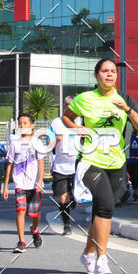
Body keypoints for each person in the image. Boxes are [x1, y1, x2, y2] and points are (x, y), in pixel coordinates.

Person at [62, 58, 138, 274]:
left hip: (116, 162)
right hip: (90, 161)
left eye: (112, 71)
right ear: (96, 75)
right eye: (104, 71)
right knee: (106, 206)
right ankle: (102, 257)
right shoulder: (85, 98)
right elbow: (66, 117)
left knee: (102, 209)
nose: (109, 74)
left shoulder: (125, 99)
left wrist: (127, 109)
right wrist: (76, 128)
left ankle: (88, 253)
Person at [3, 113, 46, 254]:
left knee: (35, 213)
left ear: (32, 126)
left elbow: (41, 163)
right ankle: (21, 241)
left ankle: (34, 228)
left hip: (33, 184)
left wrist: (40, 181)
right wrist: (5, 186)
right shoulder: (14, 143)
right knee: (20, 210)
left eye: (25, 123)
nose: (22, 126)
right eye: (20, 123)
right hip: (19, 182)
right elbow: (9, 164)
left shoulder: (37, 143)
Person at [47, 96, 80, 235]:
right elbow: (48, 144)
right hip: (60, 166)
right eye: (69, 106)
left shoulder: (80, 122)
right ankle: (66, 224)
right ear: (64, 106)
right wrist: (56, 140)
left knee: (76, 196)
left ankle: (74, 200)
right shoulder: (56, 123)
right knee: (62, 198)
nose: (71, 109)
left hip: (77, 165)